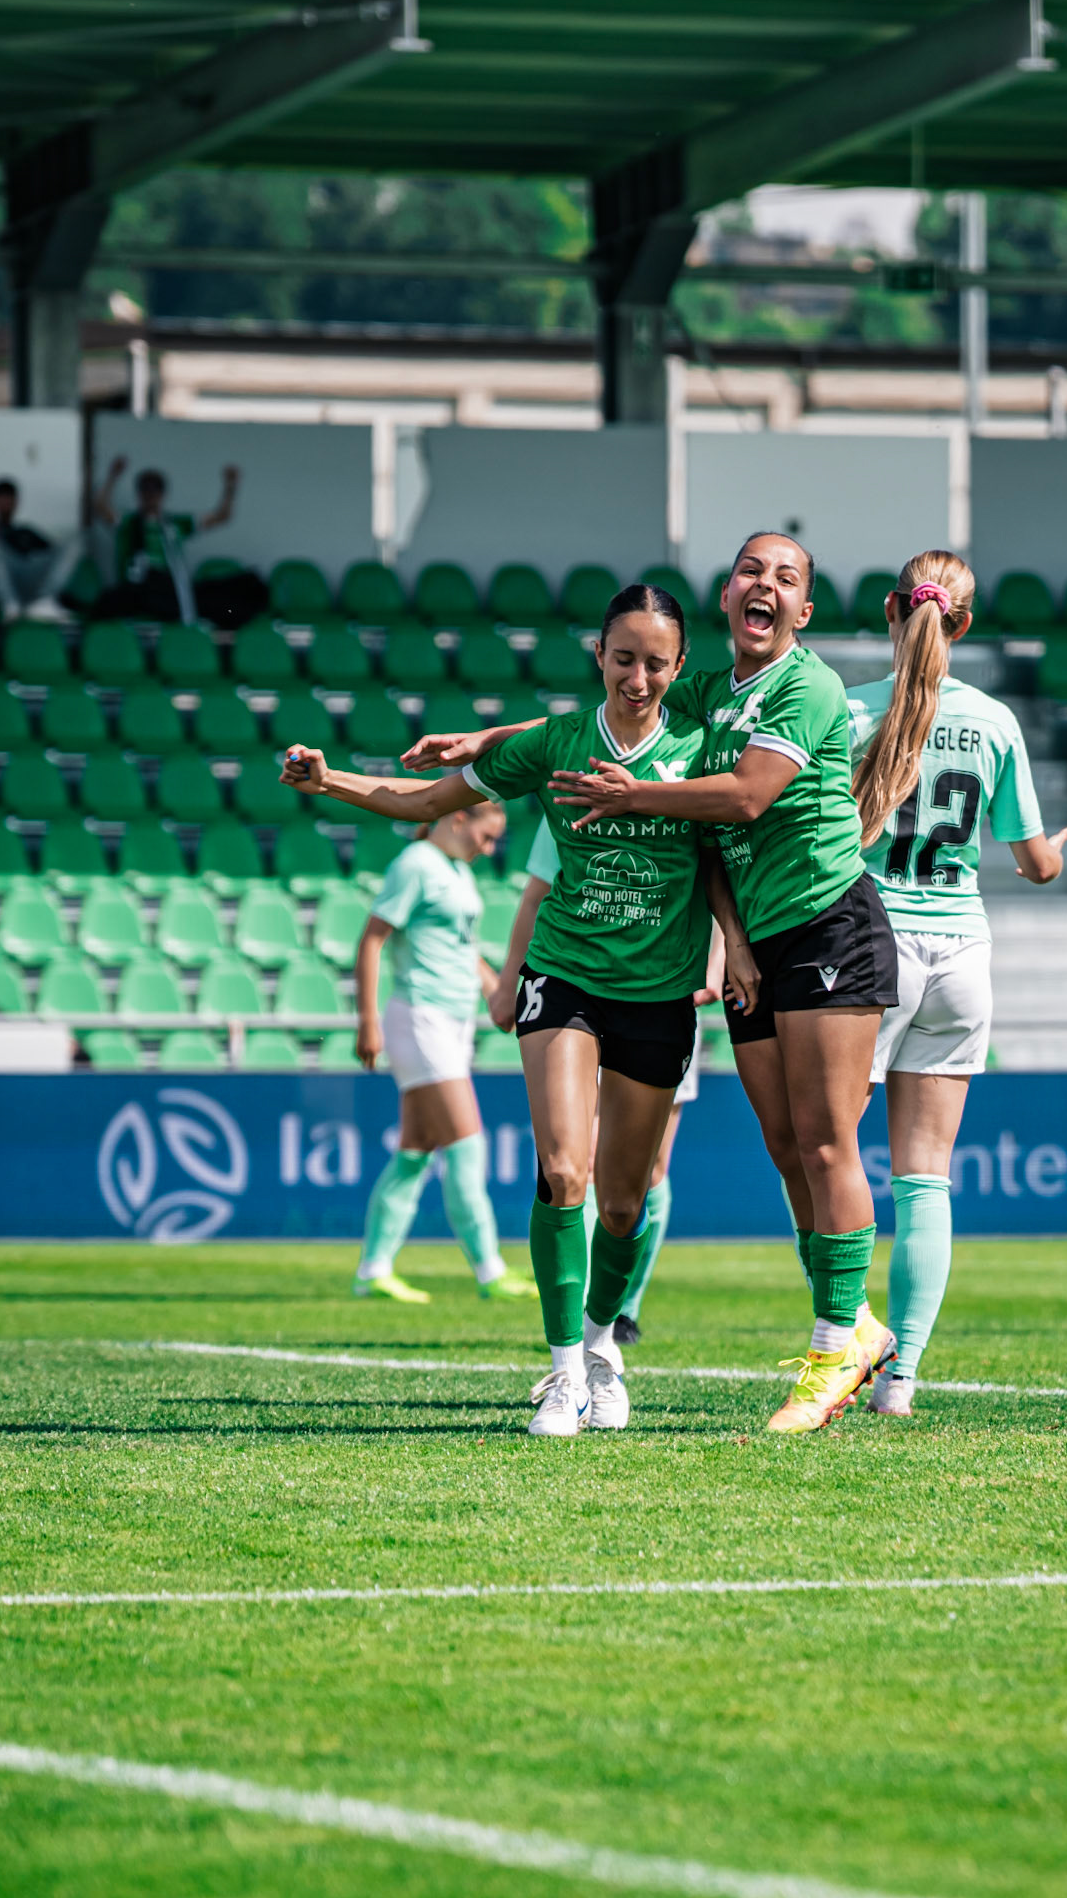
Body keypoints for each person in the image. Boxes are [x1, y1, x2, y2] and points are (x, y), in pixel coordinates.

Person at [281, 582, 758, 1439]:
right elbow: (423, 804)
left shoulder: (702, 749)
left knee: (624, 1204)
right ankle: (565, 1373)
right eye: (622, 660)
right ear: (599, 657)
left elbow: (719, 864)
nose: (637, 679)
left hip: (658, 992)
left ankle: (605, 1343)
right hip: (563, 978)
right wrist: (330, 782)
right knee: (563, 1171)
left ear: (679, 666)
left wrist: (734, 949)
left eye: (655, 663)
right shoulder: (558, 742)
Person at [542, 533, 900, 1435]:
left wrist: (632, 799)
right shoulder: (703, 691)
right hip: (760, 946)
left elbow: (742, 798)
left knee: (826, 1145)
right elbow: (614, 722)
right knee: (788, 1150)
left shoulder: (805, 685)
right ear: (726, 593)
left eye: (785, 578)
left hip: (827, 921)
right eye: (751, 571)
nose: (765, 586)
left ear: (803, 612)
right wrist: (731, 941)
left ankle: (833, 1347)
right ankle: (855, 1325)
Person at [845, 551, 1067, 1417]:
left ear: (892, 610)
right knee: (923, 1178)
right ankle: (899, 1381)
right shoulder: (994, 721)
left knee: (821, 1154)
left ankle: (846, 1334)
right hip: (961, 956)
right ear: (962, 622)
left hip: (869, 950)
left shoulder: (851, 708)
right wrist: (1060, 849)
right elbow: (1036, 864)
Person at [492, 816, 727, 1347]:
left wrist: (717, 960)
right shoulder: (566, 783)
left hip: (660, 994)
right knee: (568, 1167)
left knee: (642, 1181)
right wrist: (511, 979)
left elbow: (712, 873)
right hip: (574, 988)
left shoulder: (685, 772)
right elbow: (537, 893)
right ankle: (570, 1350)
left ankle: (620, 1309)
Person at [352, 810, 539, 1311]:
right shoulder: (415, 863)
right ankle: (489, 1269)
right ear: (457, 819)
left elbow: (461, 948)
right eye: (485, 836)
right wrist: (366, 1019)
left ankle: (373, 1270)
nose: (488, 849)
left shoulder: (454, 870)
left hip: (452, 1021)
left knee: (415, 1151)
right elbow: (372, 940)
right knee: (466, 1143)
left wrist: (499, 992)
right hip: (420, 1017)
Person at [91, 459, 267, 627]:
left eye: (155, 490)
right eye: (146, 490)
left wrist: (231, 487)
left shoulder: (175, 524)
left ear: (162, 494)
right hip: (138, 589)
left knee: (233, 591)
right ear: (139, 493)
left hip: (169, 589)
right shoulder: (128, 522)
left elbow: (222, 516)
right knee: (109, 602)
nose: (150, 495)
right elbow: (100, 508)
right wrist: (112, 477)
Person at [0, 477, 86, 621]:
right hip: (1, 582)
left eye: (9, 498)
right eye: (1, 498)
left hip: (31, 579)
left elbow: (54, 555)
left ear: (16, 502)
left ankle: (44, 601)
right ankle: (9, 607)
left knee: (76, 543)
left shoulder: (26, 532)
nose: (5, 503)